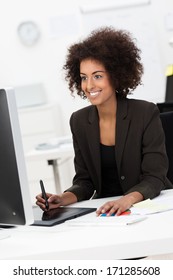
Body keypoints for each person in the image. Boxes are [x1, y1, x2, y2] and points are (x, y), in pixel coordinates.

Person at [36, 26, 173, 216]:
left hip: (148, 206)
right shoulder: (79, 121)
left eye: (97, 76)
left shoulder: (145, 112)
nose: (89, 85)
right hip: (106, 212)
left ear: (116, 77)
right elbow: (85, 182)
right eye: (84, 78)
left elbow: (155, 177)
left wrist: (126, 200)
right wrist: (63, 198)